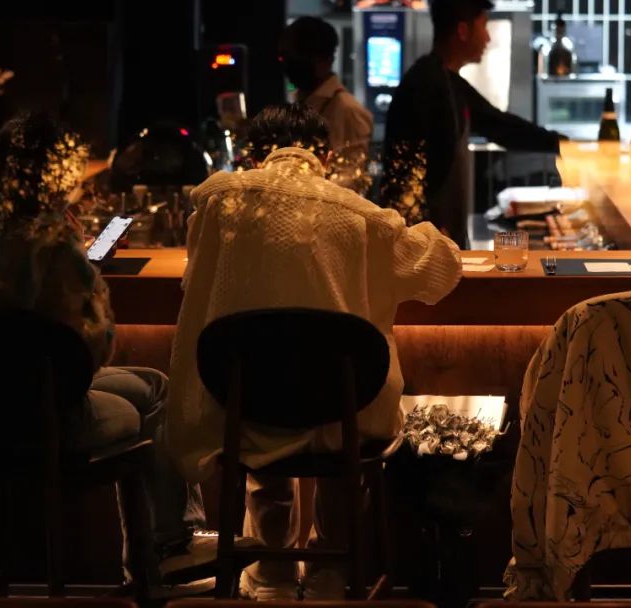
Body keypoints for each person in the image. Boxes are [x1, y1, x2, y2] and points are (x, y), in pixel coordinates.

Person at [166, 104, 463, 600]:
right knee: (340, 429)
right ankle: (329, 573)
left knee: (262, 428)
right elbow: (437, 269)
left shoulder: (218, 201)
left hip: (245, 405)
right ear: (324, 156)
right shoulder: (356, 212)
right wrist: (440, 235)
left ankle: (272, 575)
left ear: (254, 156)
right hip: (339, 410)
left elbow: (194, 275)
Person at [0, 112, 210, 595]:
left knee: (152, 384)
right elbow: (94, 350)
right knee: (150, 398)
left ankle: (163, 548)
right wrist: (85, 271)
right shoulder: (53, 241)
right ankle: (165, 550)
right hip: (49, 421)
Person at [381, 0, 564, 249]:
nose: (488, 38)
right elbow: (410, 173)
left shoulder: (447, 81)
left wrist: (560, 143)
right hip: (422, 241)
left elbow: (498, 125)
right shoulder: (428, 84)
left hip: (436, 238)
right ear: (463, 31)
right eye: (484, 26)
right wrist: (425, 228)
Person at [279, 16, 373, 191]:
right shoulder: (300, 102)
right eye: (284, 58)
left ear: (326, 59)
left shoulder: (348, 110)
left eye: (297, 59)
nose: (289, 67)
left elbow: (351, 182)